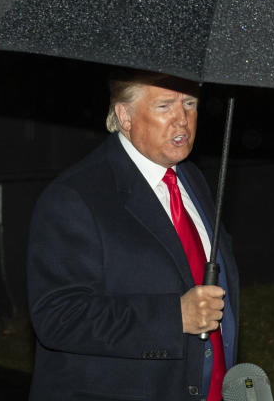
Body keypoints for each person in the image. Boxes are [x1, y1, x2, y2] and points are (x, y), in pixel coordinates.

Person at [27, 70, 238, 401]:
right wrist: (174, 318)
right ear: (124, 115)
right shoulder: (76, 196)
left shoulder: (192, 179)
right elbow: (58, 317)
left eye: (190, 103)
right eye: (165, 106)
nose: (182, 120)